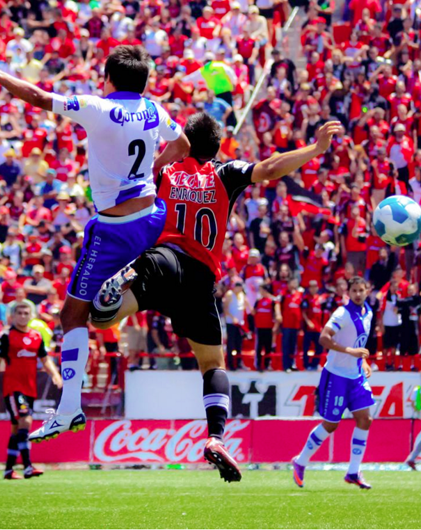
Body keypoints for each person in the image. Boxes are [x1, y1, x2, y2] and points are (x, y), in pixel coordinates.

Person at [90, 113, 344, 482]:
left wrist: (166, 155)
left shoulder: (165, 173)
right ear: (217, 147)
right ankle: (216, 437)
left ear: (185, 144)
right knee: (213, 364)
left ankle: (114, 291)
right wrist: (316, 147)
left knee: (103, 320)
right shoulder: (225, 174)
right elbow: (272, 168)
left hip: (163, 261)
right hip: (200, 280)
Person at [0, 38, 191, 443]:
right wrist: (156, 168)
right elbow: (183, 146)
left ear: (108, 79)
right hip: (153, 215)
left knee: (72, 317)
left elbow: (38, 96)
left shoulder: (97, 107)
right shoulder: (153, 109)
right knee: (121, 296)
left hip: (115, 228)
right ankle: (129, 283)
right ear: (143, 83)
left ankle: (69, 407)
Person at [292, 276, 375, 490]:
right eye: (354, 290)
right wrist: (351, 352)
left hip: (355, 376)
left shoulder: (369, 313)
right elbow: (323, 338)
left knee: (365, 419)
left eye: (361, 290)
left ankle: (354, 471)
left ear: (367, 291)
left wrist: (363, 360)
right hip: (336, 375)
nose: (358, 294)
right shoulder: (342, 313)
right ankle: (300, 461)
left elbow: (359, 343)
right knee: (331, 424)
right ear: (349, 292)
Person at [0, 302, 62, 480]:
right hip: (13, 388)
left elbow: (45, 359)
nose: (23, 316)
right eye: (20, 313)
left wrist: (55, 375)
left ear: (31, 316)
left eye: (26, 313)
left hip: (30, 388)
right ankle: (28, 466)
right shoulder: (6, 336)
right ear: (13, 316)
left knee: (17, 428)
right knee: (26, 420)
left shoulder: (36, 336)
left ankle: (8, 470)